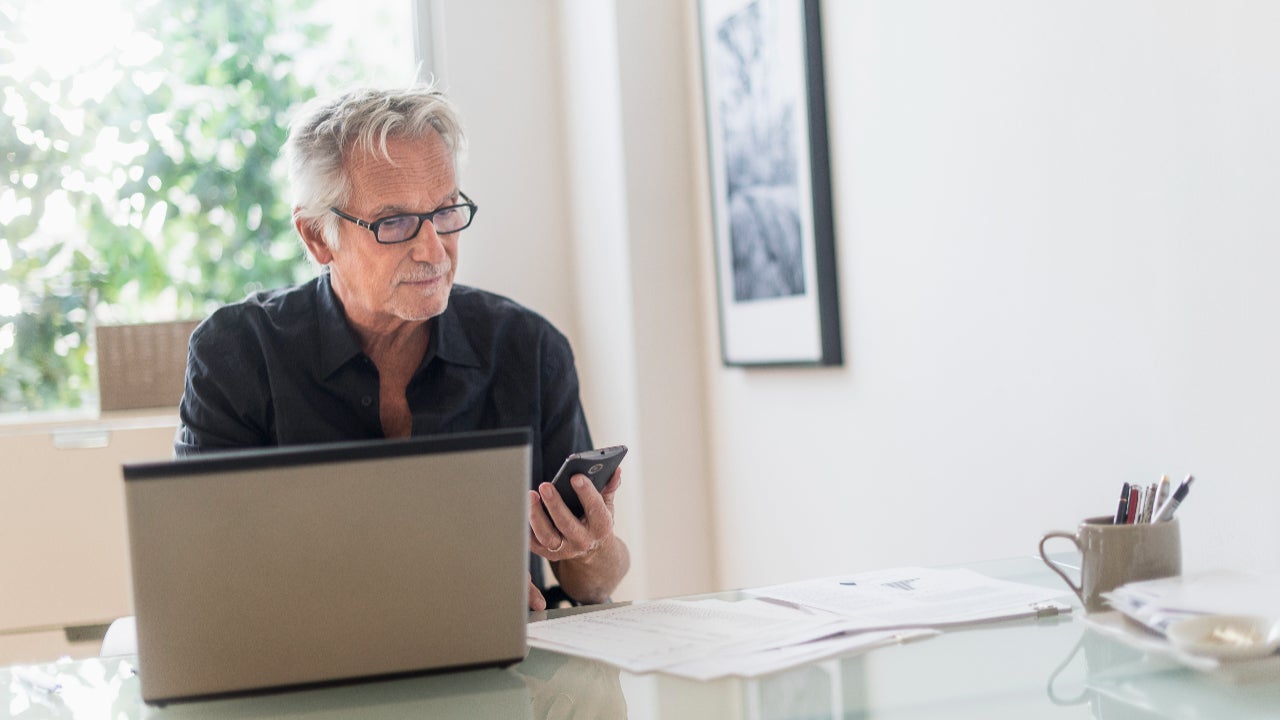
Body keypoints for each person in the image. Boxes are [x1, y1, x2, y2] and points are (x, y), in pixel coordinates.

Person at [174, 84, 629, 610]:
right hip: (311, 673)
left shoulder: (528, 347)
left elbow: (593, 587)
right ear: (317, 237)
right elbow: (202, 573)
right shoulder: (236, 353)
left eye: (445, 211)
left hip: (498, 674)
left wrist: (589, 547)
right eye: (393, 222)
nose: (434, 249)